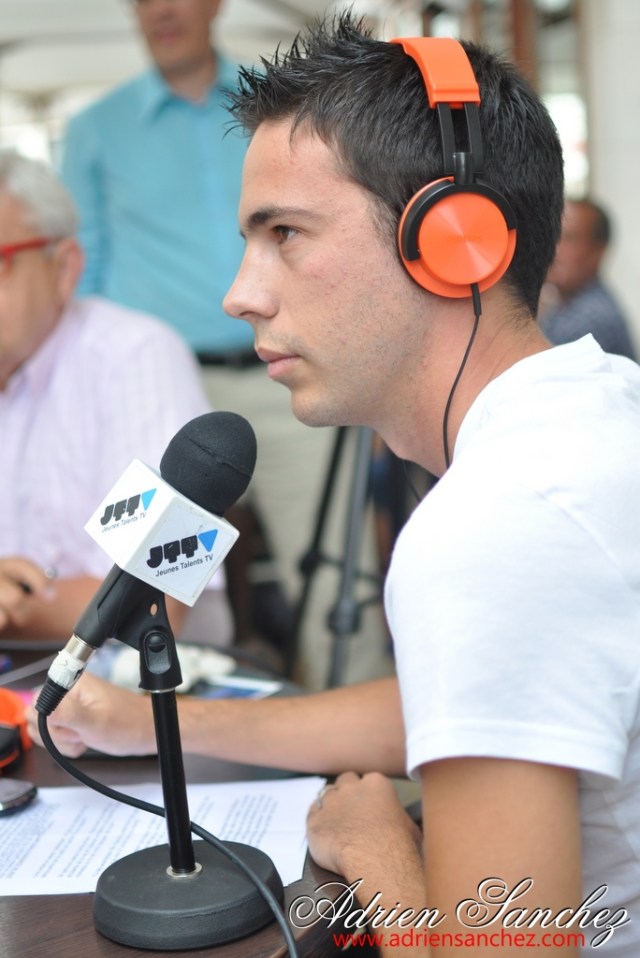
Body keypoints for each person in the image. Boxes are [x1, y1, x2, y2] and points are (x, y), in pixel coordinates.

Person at [28, 14, 640, 955]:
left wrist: (376, 846)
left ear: (456, 241)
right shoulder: (601, 407)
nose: (239, 294)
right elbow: (474, 694)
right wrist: (155, 720)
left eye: (285, 233)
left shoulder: (493, 529)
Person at [59, 0, 383, 684]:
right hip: (162, 392)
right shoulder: (94, 130)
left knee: (336, 573)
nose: (162, 9)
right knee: (160, 577)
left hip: (294, 368)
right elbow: (83, 271)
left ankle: (358, 734)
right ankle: (165, 727)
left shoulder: (285, 109)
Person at [0, 149, 231, 647]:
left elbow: (157, 594)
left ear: (64, 269)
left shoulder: (134, 356)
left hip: (145, 676)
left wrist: (18, 607)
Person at [539, 197, 637, 360]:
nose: (555, 249)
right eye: (553, 236)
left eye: (570, 238)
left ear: (598, 251)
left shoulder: (591, 319)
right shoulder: (569, 303)